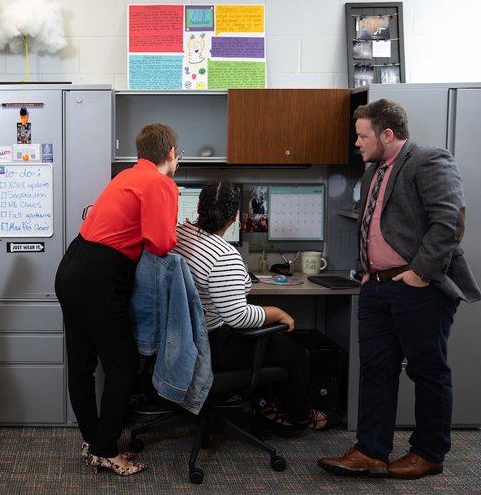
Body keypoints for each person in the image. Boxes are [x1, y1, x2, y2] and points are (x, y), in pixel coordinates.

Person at [318, 99, 480, 479]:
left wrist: (420, 273)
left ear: (386, 134)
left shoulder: (429, 160)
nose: (357, 143)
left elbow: (449, 223)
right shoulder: (374, 171)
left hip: (417, 287)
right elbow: (376, 222)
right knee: (376, 370)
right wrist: (365, 269)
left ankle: (429, 453)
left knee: (427, 371)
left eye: (362, 136)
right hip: (376, 287)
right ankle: (371, 451)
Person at [55, 123, 182, 476]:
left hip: (71, 266)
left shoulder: (126, 176)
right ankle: (106, 450)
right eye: (177, 155)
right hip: (98, 276)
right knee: (123, 365)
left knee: (81, 364)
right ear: (171, 154)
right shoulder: (161, 182)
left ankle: (94, 441)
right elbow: (161, 243)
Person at [173, 180, 339, 437]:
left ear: (198, 207)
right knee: (284, 349)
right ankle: (302, 414)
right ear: (235, 216)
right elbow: (238, 317)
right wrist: (278, 313)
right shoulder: (223, 255)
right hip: (208, 347)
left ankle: (267, 409)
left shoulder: (178, 234)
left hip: (180, 340)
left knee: (266, 342)